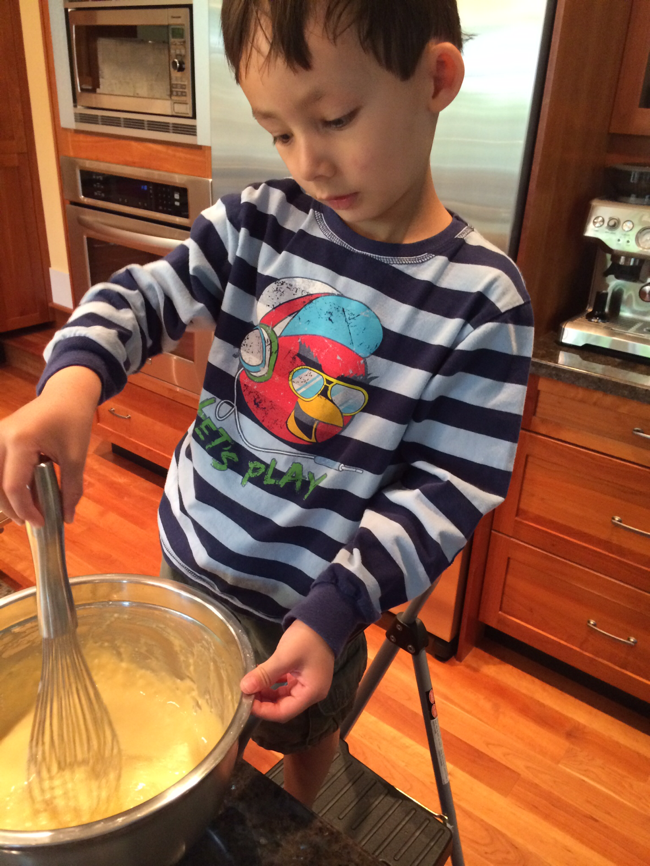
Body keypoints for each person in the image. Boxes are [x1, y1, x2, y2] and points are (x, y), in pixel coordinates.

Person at [0, 0, 533, 807]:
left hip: (314, 602)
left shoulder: (481, 300)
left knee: (306, 734)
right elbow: (143, 298)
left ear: (436, 79)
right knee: (182, 718)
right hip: (191, 550)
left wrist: (337, 608)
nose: (308, 161)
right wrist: (72, 383)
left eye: (335, 118)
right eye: (279, 131)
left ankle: (303, 804)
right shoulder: (257, 221)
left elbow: (446, 490)